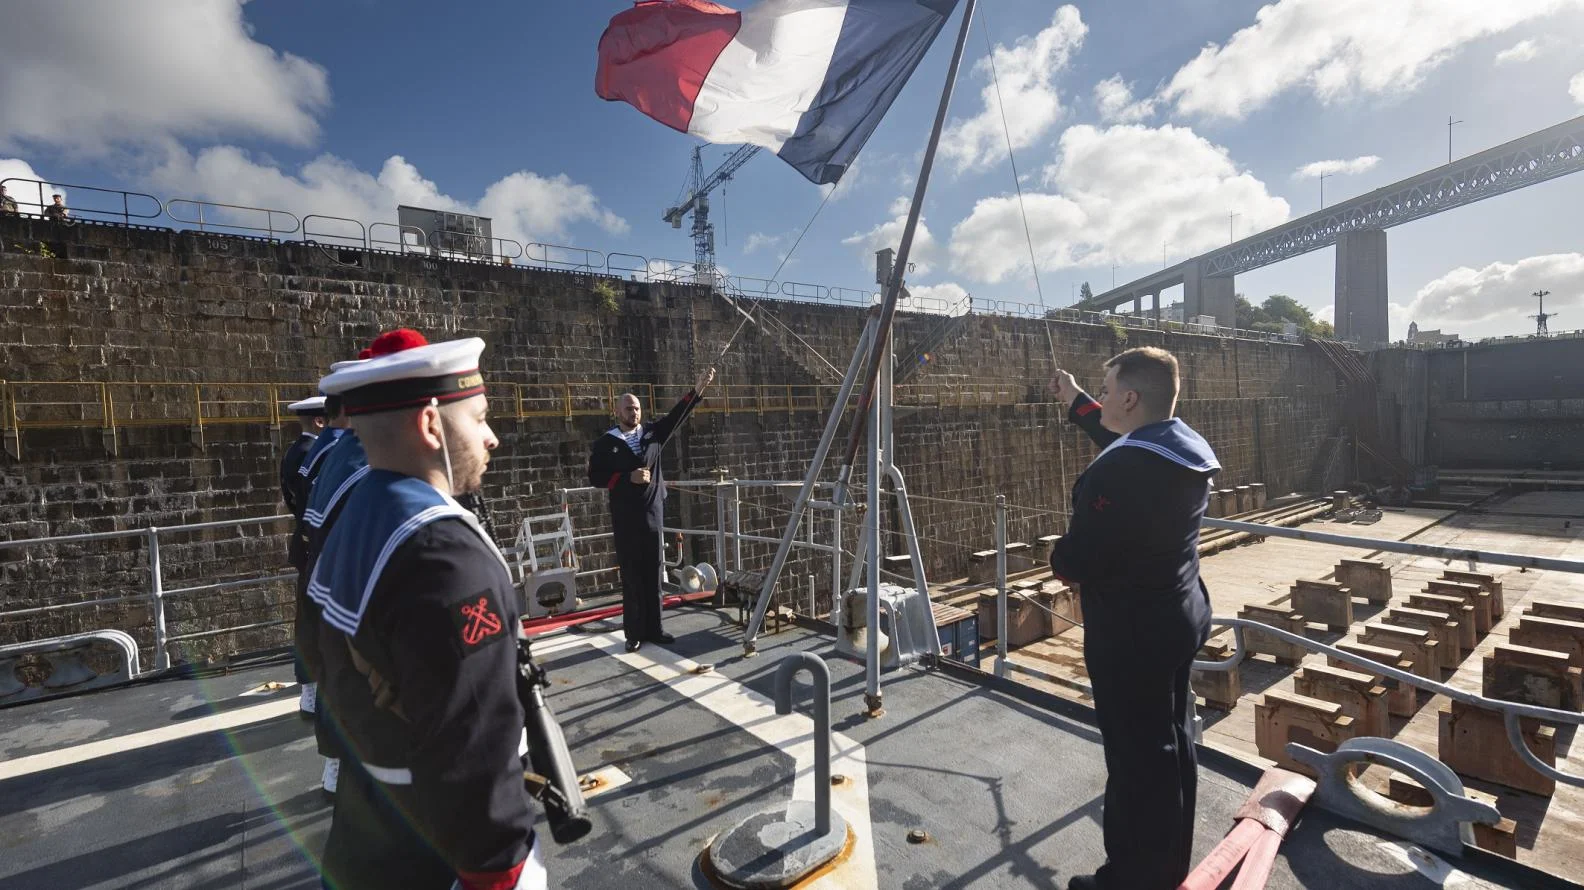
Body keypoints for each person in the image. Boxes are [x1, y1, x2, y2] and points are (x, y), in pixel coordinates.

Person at [308, 331, 546, 890]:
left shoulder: (360, 513)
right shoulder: (446, 557)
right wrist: (505, 872)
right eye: (481, 417)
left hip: (370, 825)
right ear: (432, 425)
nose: (492, 438)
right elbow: (475, 742)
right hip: (434, 851)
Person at [1049, 346, 1219, 890]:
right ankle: (1168, 864)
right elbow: (1131, 450)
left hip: (1131, 635)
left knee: (1134, 760)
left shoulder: (1120, 474)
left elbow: (1079, 560)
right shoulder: (1181, 447)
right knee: (1169, 742)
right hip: (1179, 615)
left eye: (1106, 385)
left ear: (1128, 396)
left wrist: (1057, 555)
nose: (1099, 394)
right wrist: (1076, 400)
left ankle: (1132, 878)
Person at [587, 368, 714, 652]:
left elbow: (678, 416)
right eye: (629, 408)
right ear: (617, 411)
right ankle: (633, 633)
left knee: (654, 574)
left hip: (653, 515)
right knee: (632, 577)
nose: (634, 412)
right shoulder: (606, 444)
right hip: (626, 519)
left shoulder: (654, 434)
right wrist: (624, 478)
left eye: (637, 408)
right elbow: (595, 477)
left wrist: (698, 390)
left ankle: (655, 629)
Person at [279, 396, 326, 521]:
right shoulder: (319, 453)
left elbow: (288, 495)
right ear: (319, 421)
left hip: (303, 523)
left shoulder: (290, 452)